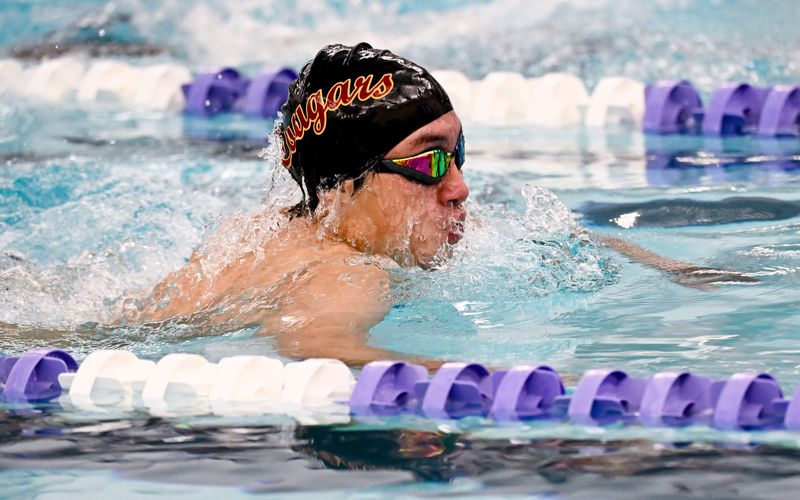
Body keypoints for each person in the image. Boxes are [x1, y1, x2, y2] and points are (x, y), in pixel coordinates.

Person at [127, 43, 755, 367]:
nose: (458, 188)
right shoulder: (347, 271)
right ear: (346, 179)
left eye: (459, 154)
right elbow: (320, 345)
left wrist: (679, 269)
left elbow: (544, 235)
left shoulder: (287, 229)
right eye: (428, 160)